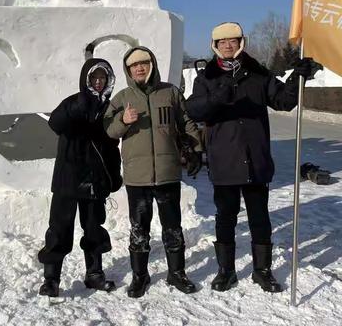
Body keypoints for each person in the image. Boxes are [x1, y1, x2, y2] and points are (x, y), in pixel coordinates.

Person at [186, 22, 312, 293]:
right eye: (222, 42)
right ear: (215, 46)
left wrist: (296, 80)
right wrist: (216, 99)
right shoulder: (206, 77)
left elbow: (283, 101)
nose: (228, 45)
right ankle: (226, 271)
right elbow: (194, 110)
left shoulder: (257, 73)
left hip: (255, 159)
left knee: (259, 217)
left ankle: (262, 271)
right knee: (226, 217)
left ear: (241, 42)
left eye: (233, 41)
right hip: (224, 160)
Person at [104, 47, 203, 298]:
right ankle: (140, 276)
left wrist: (197, 150)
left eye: (144, 63)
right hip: (137, 175)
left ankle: (177, 273)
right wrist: (123, 121)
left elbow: (187, 123)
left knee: (173, 226)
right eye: (134, 66)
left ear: (152, 64)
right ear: (128, 71)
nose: (139, 68)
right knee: (139, 228)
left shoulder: (170, 92)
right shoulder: (122, 98)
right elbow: (108, 131)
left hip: (168, 171)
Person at [38, 58, 122, 298]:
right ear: (86, 79)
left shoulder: (109, 108)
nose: (98, 82)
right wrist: (79, 105)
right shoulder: (73, 101)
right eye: (94, 78)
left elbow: (111, 145)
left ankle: (94, 274)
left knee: (95, 228)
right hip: (68, 178)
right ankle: (51, 279)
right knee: (59, 230)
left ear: (108, 81)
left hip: (95, 180)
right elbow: (55, 123)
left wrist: (114, 175)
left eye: (102, 78)